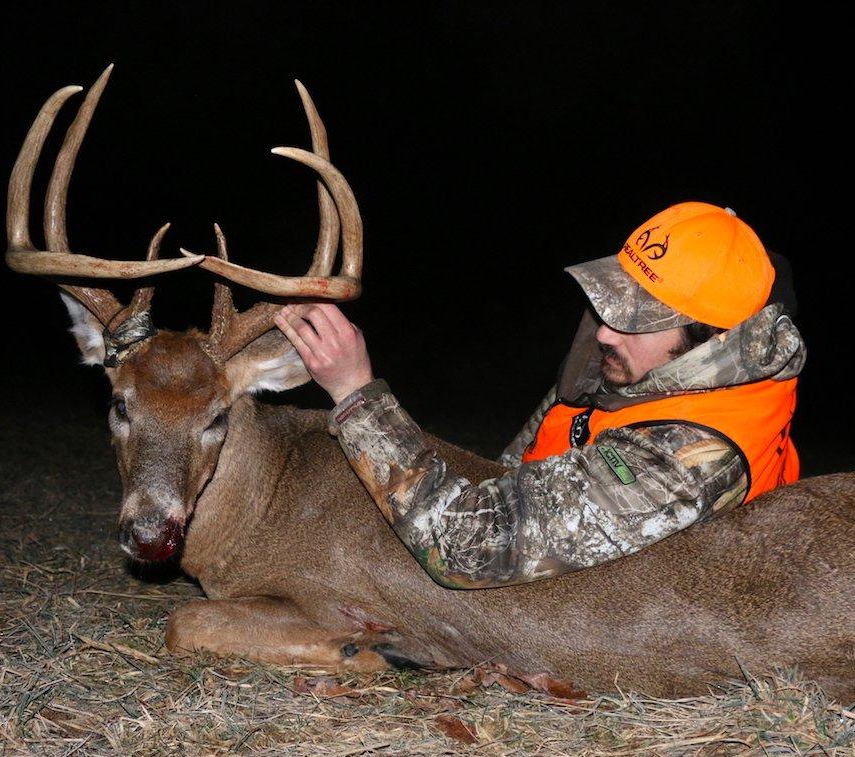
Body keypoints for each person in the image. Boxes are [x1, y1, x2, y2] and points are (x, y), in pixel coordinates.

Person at [274, 201, 806, 588]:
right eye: (612, 303)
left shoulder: (692, 462)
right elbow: (509, 476)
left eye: (636, 320)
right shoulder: (629, 369)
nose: (604, 333)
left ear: (709, 340)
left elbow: (467, 549)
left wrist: (355, 393)